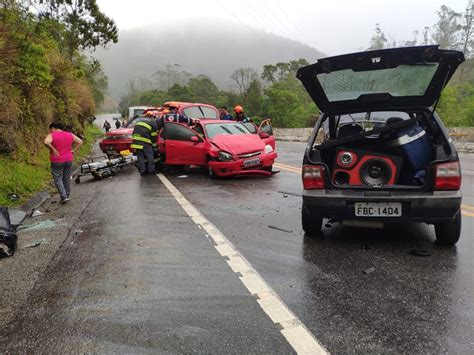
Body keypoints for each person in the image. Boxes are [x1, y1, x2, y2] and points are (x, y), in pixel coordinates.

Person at [44, 122, 83, 204]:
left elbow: (46, 142)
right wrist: (73, 150)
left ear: (54, 128)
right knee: (66, 178)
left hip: (57, 160)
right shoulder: (70, 134)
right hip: (68, 159)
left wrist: (53, 149)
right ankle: (67, 195)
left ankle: (63, 196)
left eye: (51, 129)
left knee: (58, 178)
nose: (51, 130)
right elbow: (80, 141)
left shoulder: (52, 135)